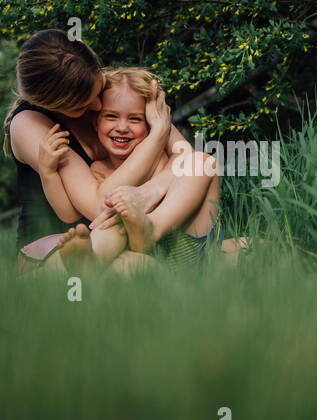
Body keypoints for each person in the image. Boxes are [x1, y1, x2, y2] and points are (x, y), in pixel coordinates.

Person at [3, 29, 223, 272]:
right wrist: (159, 133)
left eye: (98, 91)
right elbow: (100, 205)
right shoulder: (29, 124)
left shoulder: (105, 88)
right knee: (137, 267)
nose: (97, 106)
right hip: (52, 251)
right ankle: (66, 274)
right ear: (54, 104)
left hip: (117, 237)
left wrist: (150, 191)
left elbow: (187, 158)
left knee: (144, 266)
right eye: (82, 106)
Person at [44, 66, 242, 268]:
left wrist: (162, 127)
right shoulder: (97, 170)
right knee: (111, 220)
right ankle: (90, 262)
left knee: (203, 162)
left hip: (189, 248)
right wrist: (48, 173)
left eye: (135, 119)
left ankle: (152, 228)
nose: (122, 127)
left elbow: (187, 156)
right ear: (96, 122)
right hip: (150, 260)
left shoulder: (164, 158)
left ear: (152, 121)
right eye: (111, 116)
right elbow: (68, 213)